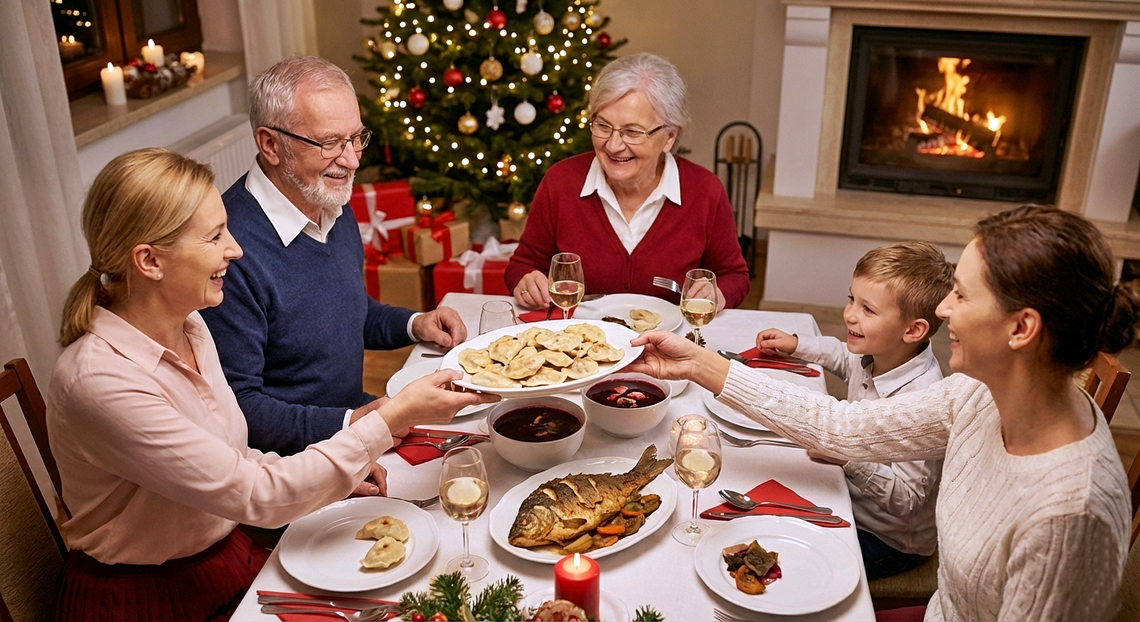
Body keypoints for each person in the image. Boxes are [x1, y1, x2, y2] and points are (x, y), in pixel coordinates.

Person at [48, 149, 497, 621]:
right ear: (149, 261)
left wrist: (330, 477)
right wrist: (392, 416)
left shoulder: (192, 327)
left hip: (224, 560)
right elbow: (256, 494)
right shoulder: (100, 381)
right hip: (146, 600)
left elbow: (231, 458)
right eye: (215, 236)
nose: (235, 249)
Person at [630, 205, 1135, 621]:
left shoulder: (1071, 516)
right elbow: (840, 428)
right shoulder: (978, 394)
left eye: (961, 294)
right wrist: (699, 363)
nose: (942, 311)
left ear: (1021, 329)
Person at [199, 56, 467, 456]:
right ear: (270, 144)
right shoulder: (229, 251)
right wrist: (354, 424)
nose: (353, 159)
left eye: (356, 138)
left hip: (351, 426)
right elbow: (239, 410)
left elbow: (346, 312)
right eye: (329, 143)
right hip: (293, 463)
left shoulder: (327, 201)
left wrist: (415, 324)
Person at [755, 241, 954, 579]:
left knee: (791, 560)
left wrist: (848, 455)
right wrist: (798, 344)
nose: (849, 314)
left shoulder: (924, 402)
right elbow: (842, 357)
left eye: (868, 310)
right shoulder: (879, 351)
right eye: (852, 299)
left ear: (913, 330)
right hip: (848, 499)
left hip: (887, 540)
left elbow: (906, 500)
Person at [504, 53, 750, 311]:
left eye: (632, 132)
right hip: (582, 345)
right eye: (603, 126)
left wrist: (718, 292)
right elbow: (522, 265)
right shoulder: (561, 182)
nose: (613, 145)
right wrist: (527, 281)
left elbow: (734, 276)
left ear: (669, 137)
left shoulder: (704, 191)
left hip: (671, 345)